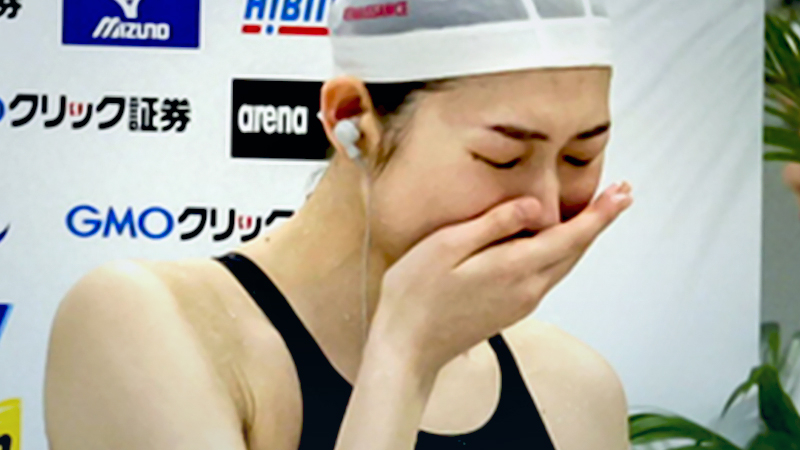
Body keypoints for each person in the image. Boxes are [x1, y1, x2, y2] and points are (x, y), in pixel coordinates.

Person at [44, 1, 634, 449]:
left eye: (580, 158)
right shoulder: (146, 322)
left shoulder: (573, 384)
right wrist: (403, 359)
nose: (547, 208)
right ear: (351, 116)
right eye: (503, 158)